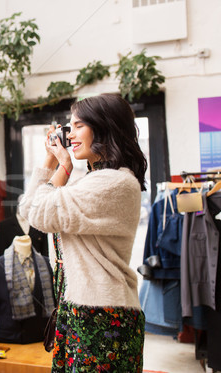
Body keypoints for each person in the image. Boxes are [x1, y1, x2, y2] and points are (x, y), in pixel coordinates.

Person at [17, 93, 147, 372]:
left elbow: (39, 211)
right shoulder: (92, 180)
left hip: (104, 314)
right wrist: (51, 162)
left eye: (78, 126)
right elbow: (29, 209)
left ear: (103, 127)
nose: (70, 134)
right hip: (80, 309)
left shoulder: (114, 183)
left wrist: (62, 165)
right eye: (69, 126)